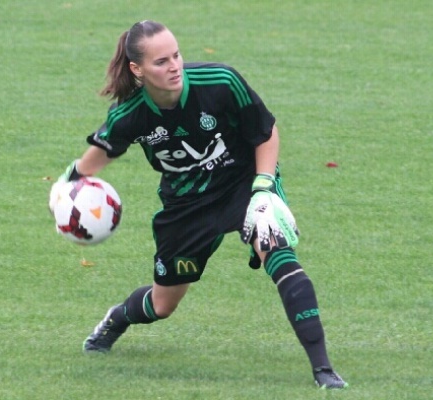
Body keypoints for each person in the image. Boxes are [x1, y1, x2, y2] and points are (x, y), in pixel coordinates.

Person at [49, 20, 348, 389]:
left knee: (278, 250)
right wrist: (63, 192)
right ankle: (117, 319)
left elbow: (265, 132)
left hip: (243, 185)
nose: (174, 66)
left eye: (176, 55)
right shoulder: (130, 115)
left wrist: (264, 188)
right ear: (137, 69)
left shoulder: (220, 82)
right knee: (163, 305)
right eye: (161, 62)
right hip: (186, 207)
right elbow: (93, 160)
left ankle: (323, 370)